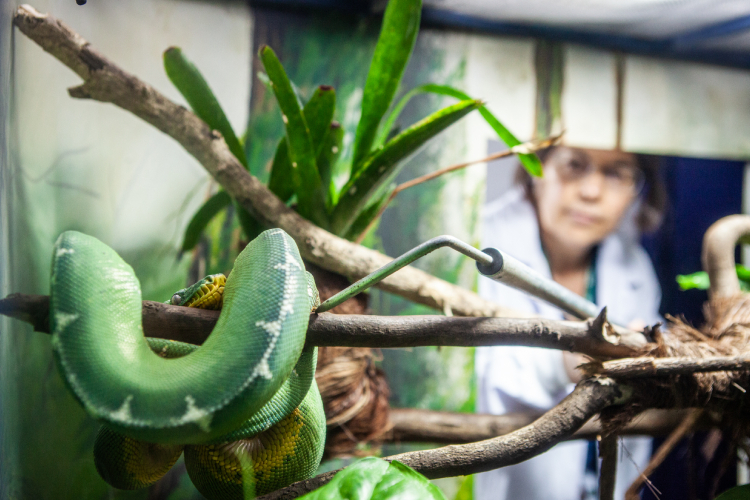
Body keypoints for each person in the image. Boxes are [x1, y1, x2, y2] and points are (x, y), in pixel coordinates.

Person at [474, 146, 666, 500]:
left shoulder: (633, 266)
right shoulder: (476, 243)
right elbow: (473, 375)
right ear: (536, 167)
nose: (591, 191)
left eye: (616, 172)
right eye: (574, 165)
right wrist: (567, 362)